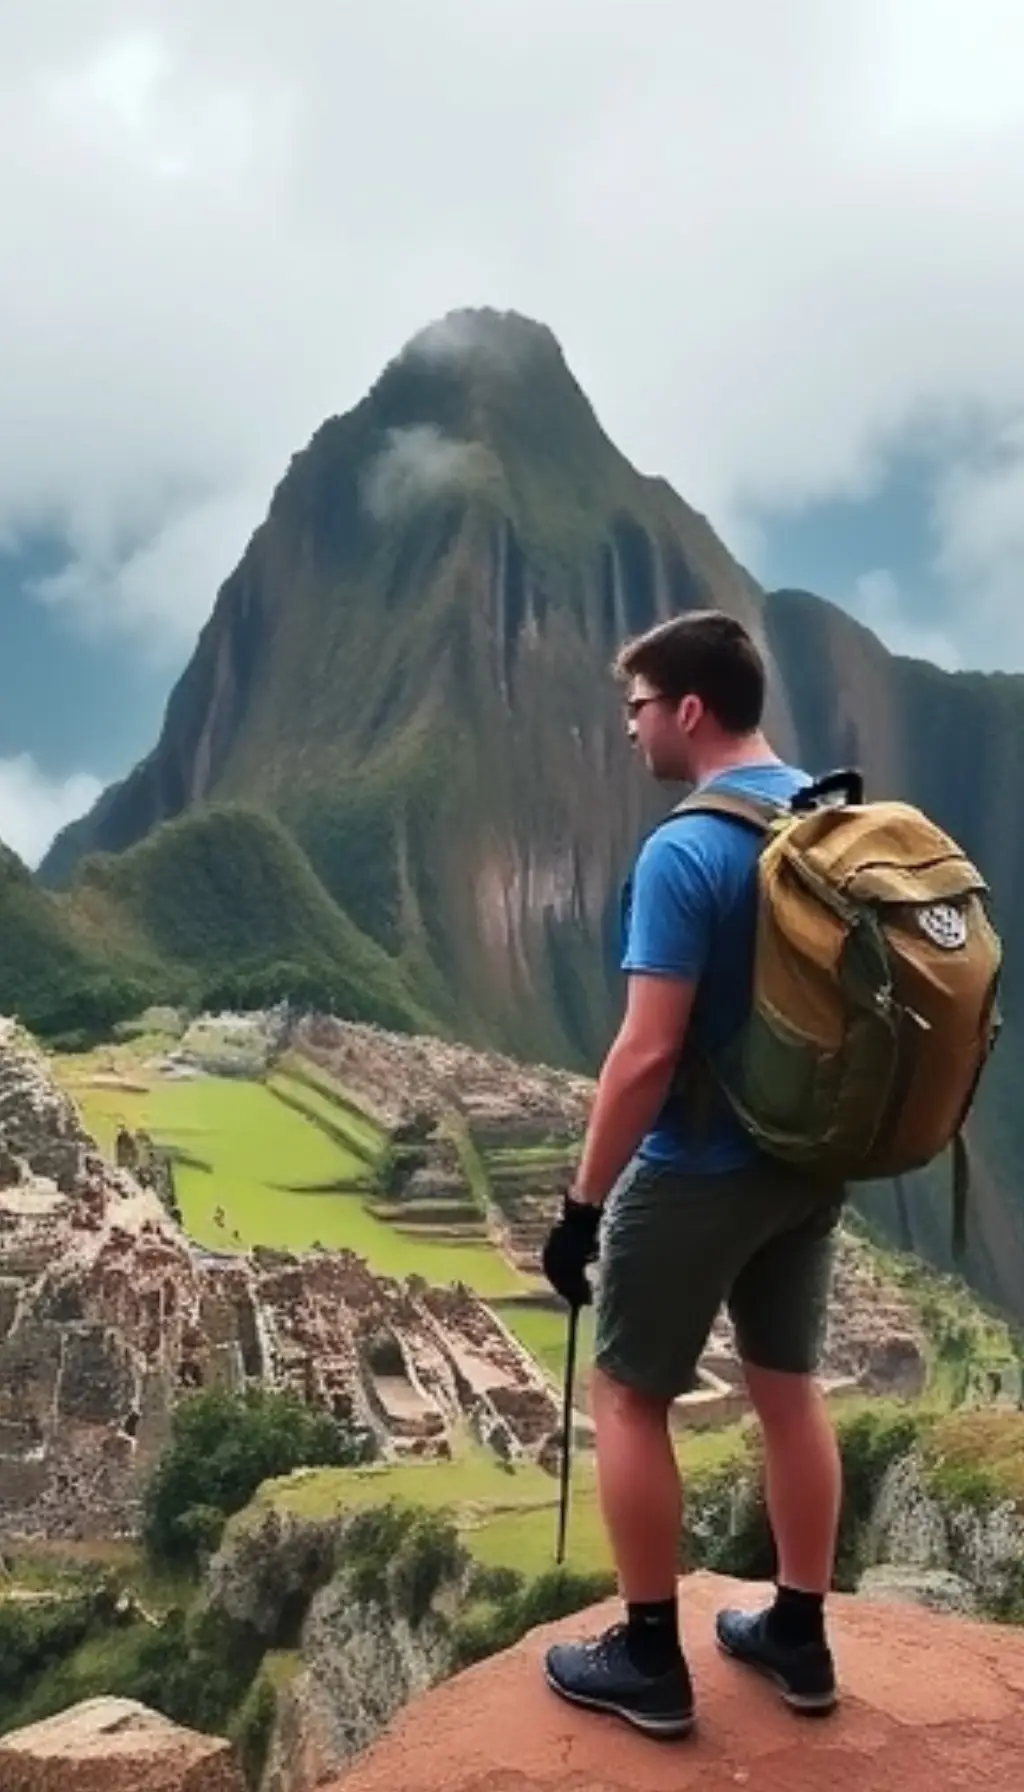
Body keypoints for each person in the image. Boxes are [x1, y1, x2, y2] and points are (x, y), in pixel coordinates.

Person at [541, 609, 844, 1740]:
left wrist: (581, 1205)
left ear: (688, 710)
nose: (626, 730)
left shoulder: (686, 847)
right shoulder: (827, 809)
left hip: (699, 1165)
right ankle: (798, 1633)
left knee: (627, 1393)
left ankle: (650, 1658)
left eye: (635, 708)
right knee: (787, 1387)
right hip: (807, 1157)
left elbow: (646, 1052)